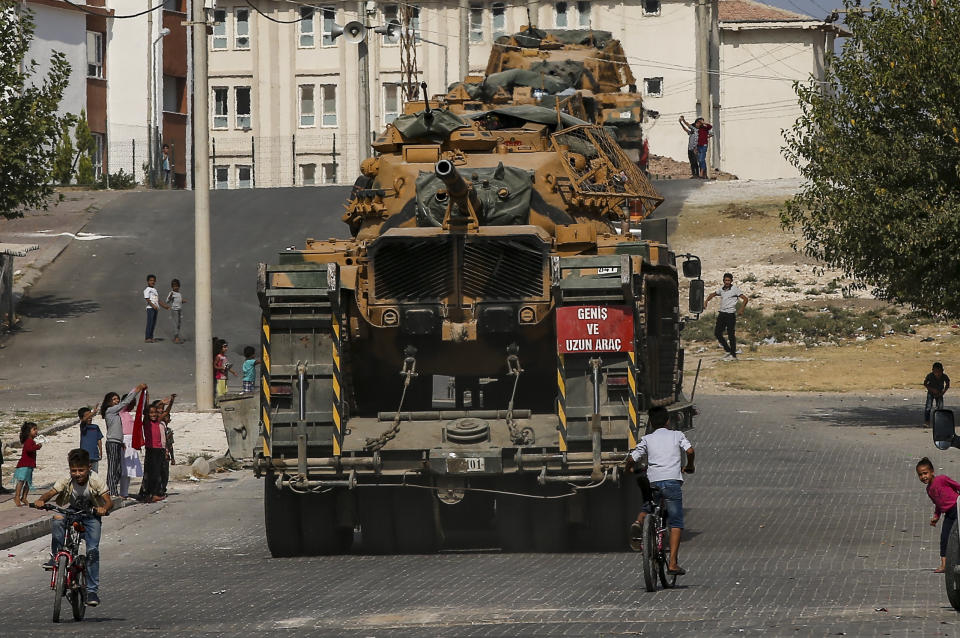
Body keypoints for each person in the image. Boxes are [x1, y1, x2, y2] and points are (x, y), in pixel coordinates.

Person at [34, 448, 112, 607]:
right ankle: (56, 556)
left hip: (91, 515)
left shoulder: (95, 480)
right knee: (57, 518)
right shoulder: (67, 479)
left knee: (92, 551)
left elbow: (108, 500)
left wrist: (104, 508)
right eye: (73, 470)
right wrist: (41, 500)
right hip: (73, 511)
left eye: (81, 470)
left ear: (89, 467)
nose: (77, 474)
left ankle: (92, 591)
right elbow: (52, 492)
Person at [626, 407, 695, 576]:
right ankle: (672, 563)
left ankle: (640, 523)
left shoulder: (647, 439)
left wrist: (629, 468)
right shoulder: (677, 435)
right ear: (668, 421)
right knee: (676, 522)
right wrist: (690, 465)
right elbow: (690, 451)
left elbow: (632, 457)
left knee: (649, 505)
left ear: (650, 423)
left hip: (653, 482)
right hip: (672, 482)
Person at [101, 384, 145, 497]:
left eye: (117, 399)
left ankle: (115, 490)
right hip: (112, 442)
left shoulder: (116, 413)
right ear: (108, 402)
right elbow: (125, 402)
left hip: (118, 442)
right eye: (114, 399)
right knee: (113, 468)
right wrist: (137, 389)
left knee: (119, 469)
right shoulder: (110, 411)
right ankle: (111, 491)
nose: (117, 401)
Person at [917, 457, 960, 573]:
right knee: (944, 538)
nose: (923, 477)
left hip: (957, 508)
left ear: (932, 472)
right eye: (920, 475)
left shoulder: (942, 479)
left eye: (925, 473)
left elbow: (957, 486)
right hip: (949, 515)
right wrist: (936, 517)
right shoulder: (929, 490)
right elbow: (938, 504)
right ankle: (944, 565)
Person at [705, 272, 748, 360]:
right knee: (717, 333)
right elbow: (713, 294)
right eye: (725, 280)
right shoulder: (722, 289)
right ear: (723, 281)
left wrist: (741, 309)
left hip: (730, 314)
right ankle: (728, 350)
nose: (727, 282)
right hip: (722, 314)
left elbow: (745, 299)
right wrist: (706, 301)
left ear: (731, 281)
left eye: (728, 280)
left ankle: (733, 355)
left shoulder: (735, 289)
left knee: (731, 334)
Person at [137, 400, 169, 503]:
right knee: (150, 472)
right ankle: (149, 494)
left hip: (159, 450)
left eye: (155, 412)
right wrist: (147, 394)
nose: (154, 414)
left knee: (156, 472)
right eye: (151, 413)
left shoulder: (158, 421)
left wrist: (171, 401)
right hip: (151, 449)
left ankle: (152, 493)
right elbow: (145, 408)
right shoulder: (147, 422)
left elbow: (166, 412)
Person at [12, 422, 41, 506]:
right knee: (21, 481)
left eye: (36, 429)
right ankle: (17, 497)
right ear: (28, 432)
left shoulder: (31, 440)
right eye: (34, 429)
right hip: (24, 465)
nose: (36, 431)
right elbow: (29, 449)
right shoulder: (29, 441)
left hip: (29, 465)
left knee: (28, 482)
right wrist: (37, 447)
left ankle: (24, 497)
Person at [924, 362, 951, 427]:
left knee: (940, 408)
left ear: (942, 371)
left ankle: (939, 422)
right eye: (936, 372)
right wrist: (932, 389)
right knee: (928, 407)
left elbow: (947, 384)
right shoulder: (930, 376)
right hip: (931, 393)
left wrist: (943, 392)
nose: (938, 374)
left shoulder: (944, 376)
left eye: (939, 372)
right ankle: (927, 422)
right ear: (933, 370)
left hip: (939, 393)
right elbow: (925, 383)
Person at [143, 274, 168, 343]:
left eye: (153, 280)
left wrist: (164, 306)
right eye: (151, 280)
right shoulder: (147, 289)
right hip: (150, 308)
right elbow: (147, 299)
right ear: (148, 281)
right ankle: (147, 337)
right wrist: (153, 305)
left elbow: (158, 300)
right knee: (150, 323)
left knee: (153, 323)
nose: (152, 282)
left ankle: (151, 337)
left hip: (155, 309)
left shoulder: (154, 290)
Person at [78, 406, 103, 474]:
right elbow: (83, 421)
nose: (89, 417)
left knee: (95, 475)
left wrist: (101, 451)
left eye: (90, 415)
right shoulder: (83, 427)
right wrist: (92, 413)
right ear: (81, 418)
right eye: (87, 416)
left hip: (95, 455)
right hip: (84, 456)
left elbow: (99, 440)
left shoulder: (95, 427)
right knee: (85, 474)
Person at [166, 278, 186, 344]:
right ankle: (176, 338)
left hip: (179, 310)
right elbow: (167, 301)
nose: (176, 287)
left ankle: (176, 337)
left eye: (177, 286)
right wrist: (170, 297)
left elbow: (179, 301)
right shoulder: (171, 293)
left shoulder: (179, 294)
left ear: (179, 286)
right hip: (174, 310)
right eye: (174, 286)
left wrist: (183, 301)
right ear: (172, 287)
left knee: (179, 324)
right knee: (176, 324)